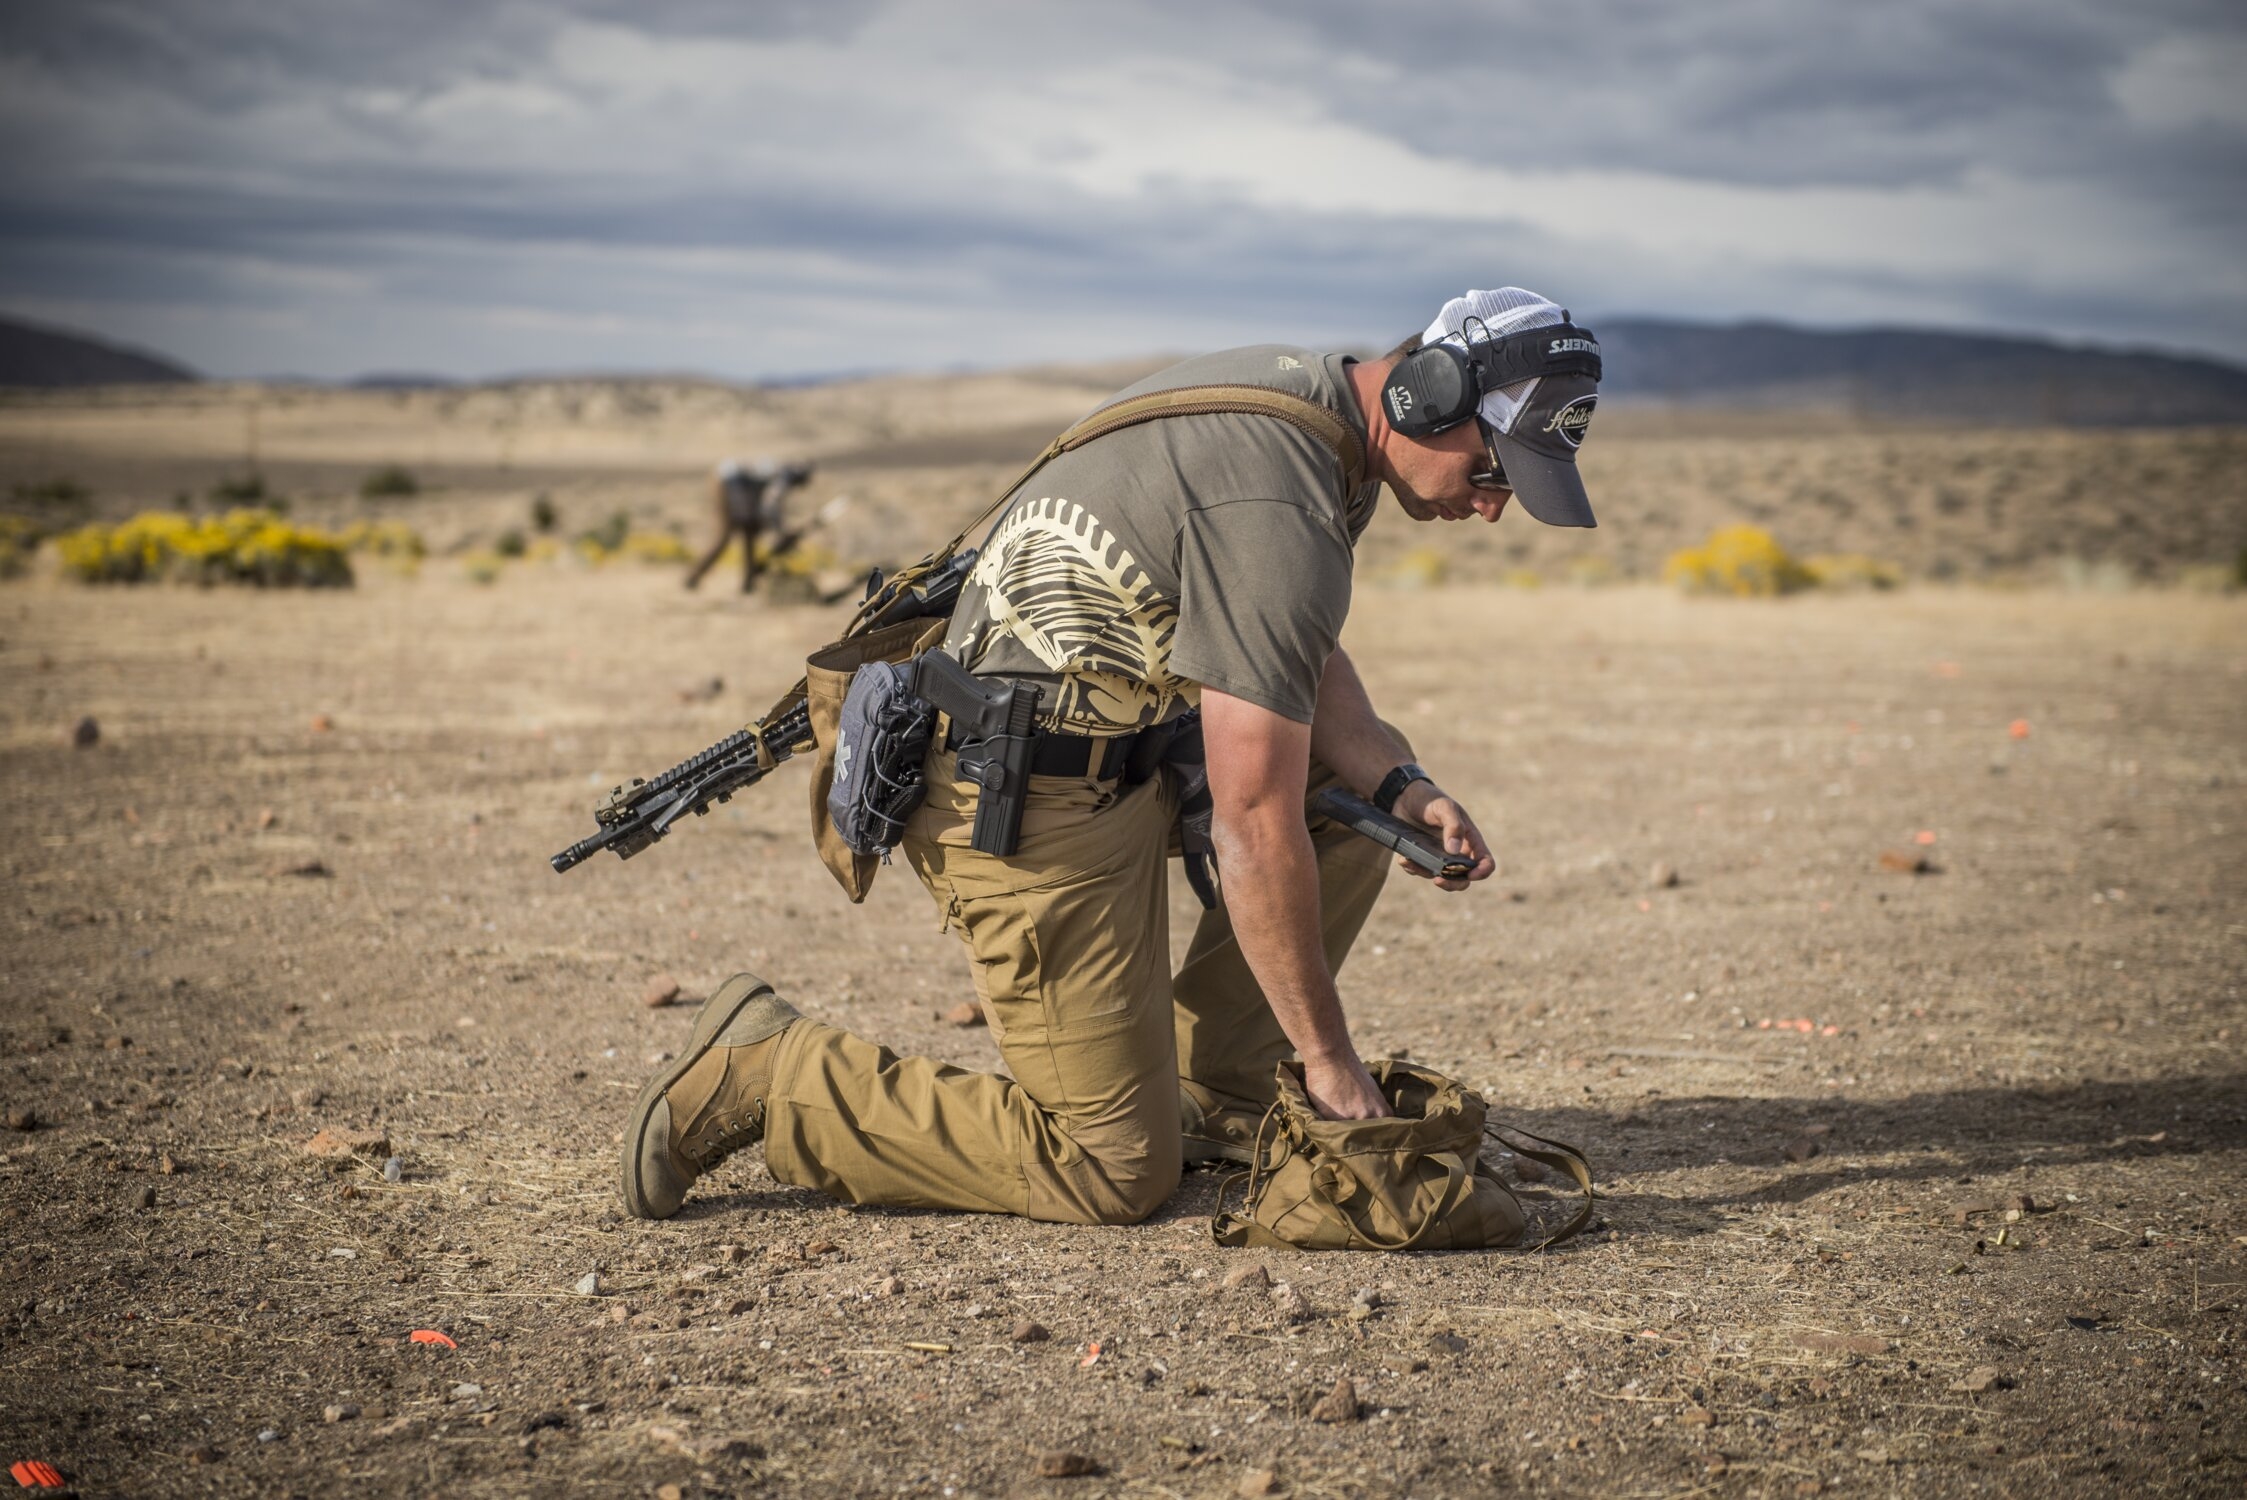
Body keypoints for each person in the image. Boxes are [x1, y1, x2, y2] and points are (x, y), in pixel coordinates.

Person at [622, 287, 1603, 1226]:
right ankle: (771, 1074)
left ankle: (1216, 1090)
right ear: (1423, 394)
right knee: (1114, 1169)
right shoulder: (1280, 489)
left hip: (1105, 762)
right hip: (1013, 797)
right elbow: (1254, 823)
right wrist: (1328, 1058)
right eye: (1492, 473)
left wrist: (1400, 783)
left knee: (1347, 791)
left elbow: (1285, 633)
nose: (1494, 508)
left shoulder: (1307, 410)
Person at [684, 457, 816, 593]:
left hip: (736, 486)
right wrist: (780, 532)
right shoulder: (784, 478)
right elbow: (772, 504)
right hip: (727, 483)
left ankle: (748, 583)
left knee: (750, 530)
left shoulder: (778, 472)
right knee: (724, 536)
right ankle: (693, 577)